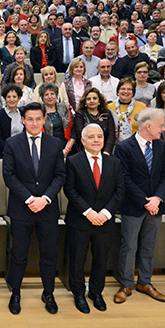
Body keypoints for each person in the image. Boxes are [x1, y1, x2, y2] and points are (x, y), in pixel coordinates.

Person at [3, 102, 66, 315]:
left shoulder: (55, 143)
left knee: (49, 253)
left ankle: (48, 293)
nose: (34, 123)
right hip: (21, 208)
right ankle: (16, 292)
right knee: (19, 253)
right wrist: (30, 198)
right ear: (23, 120)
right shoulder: (12, 144)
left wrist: (45, 198)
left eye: (38, 119)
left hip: (47, 208)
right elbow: (9, 176)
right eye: (30, 119)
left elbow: (60, 175)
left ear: (44, 120)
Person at [113, 109, 165, 304]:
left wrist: (157, 199)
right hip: (133, 205)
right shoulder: (124, 147)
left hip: (155, 206)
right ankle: (126, 284)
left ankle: (145, 282)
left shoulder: (161, 146)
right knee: (129, 246)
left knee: (149, 246)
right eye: (160, 125)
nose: (163, 129)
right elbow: (124, 178)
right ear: (149, 126)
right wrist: (146, 201)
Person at [64, 123, 125, 313]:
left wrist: (105, 213)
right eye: (91, 137)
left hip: (105, 220)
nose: (96, 140)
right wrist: (88, 212)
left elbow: (120, 191)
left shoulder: (114, 163)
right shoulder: (73, 161)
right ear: (83, 141)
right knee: (77, 259)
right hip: (80, 219)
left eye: (99, 136)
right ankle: (79, 294)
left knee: (101, 259)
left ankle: (96, 292)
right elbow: (70, 190)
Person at [73, 87, 116, 154]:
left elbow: (111, 135)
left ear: (99, 100)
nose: (92, 101)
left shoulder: (106, 113)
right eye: (88, 99)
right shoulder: (80, 114)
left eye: (95, 98)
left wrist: (106, 152)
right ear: (85, 101)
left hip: (104, 151)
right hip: (85, 151)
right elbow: (80, 135)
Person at [40, 82, 75, 155]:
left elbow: (74, 131)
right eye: (46, 95)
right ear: (42, 98)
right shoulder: (39, 112)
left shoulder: (64, 108)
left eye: (52, 94)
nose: (50, 97)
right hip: (47, 149)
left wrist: (66, 150)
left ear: (56, 96)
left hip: (67, 147)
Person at [109, 78, 146, 142]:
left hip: (137, 144)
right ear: (118, 91)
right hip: (114, 145)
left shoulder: (142, 107)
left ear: (133, 92)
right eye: (123, 89)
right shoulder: (109, 107)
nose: (126, 91)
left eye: (129, 89)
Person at [0, 84, 24, 158]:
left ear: (19, 98)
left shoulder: (23, 113)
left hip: (23, 151)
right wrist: (9, 152)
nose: (11, 100)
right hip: (5, 152)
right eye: (8, 97)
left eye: (14, 97)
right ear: (5, 99)